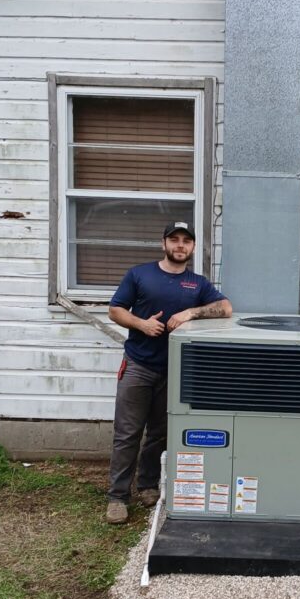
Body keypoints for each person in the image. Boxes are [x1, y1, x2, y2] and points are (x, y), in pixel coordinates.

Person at [105, 222, 232, 524]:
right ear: (163, 243)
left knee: (159, 434)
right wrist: (141, 324)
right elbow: (115, 310)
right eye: (173, 239)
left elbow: (225, 308)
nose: (179, 245)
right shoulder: (140, 274)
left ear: (192, 247)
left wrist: (191, 312)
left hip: (175, 371)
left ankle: (147, 485)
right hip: (138, 365)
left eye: (185, 241)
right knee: (127, 433)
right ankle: (117, 497)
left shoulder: (197, 283)